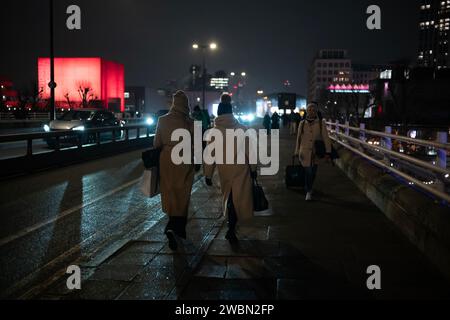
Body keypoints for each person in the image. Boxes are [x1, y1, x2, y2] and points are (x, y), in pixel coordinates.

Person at [204, 94, 257, 243]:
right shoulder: (242, 128)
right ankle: (233, 226)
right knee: (238, 196)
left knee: (228, 196)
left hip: (224, 169)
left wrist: (208, 174)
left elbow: (210, 154)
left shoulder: (214, 131)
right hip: (241, 168)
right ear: (232, 112)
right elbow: (250, 151)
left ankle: (231, 226)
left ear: (219, 113)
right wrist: (253, 168)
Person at [153, 91, 195, 251]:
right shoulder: (191, 122)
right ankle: (176, 228)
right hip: (184, 159)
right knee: (183, 194)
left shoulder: (162, 120)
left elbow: (156, 143)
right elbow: (198, 146)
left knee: (170, 192)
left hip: (167, 160)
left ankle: (172, 226)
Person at [294, 104, 332, 201]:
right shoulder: (302, 123)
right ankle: (308, 191)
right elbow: (298, 138)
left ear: (316, 111)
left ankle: (309, 188)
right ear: (307, 111)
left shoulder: (320, 123)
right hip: (304, 151)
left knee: (313, 172)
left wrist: (328, 152)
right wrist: (297, 151)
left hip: (316, 153)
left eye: (313, 109)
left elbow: (326, 137)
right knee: (308, 171)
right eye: (309, 109)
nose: (311, 111)